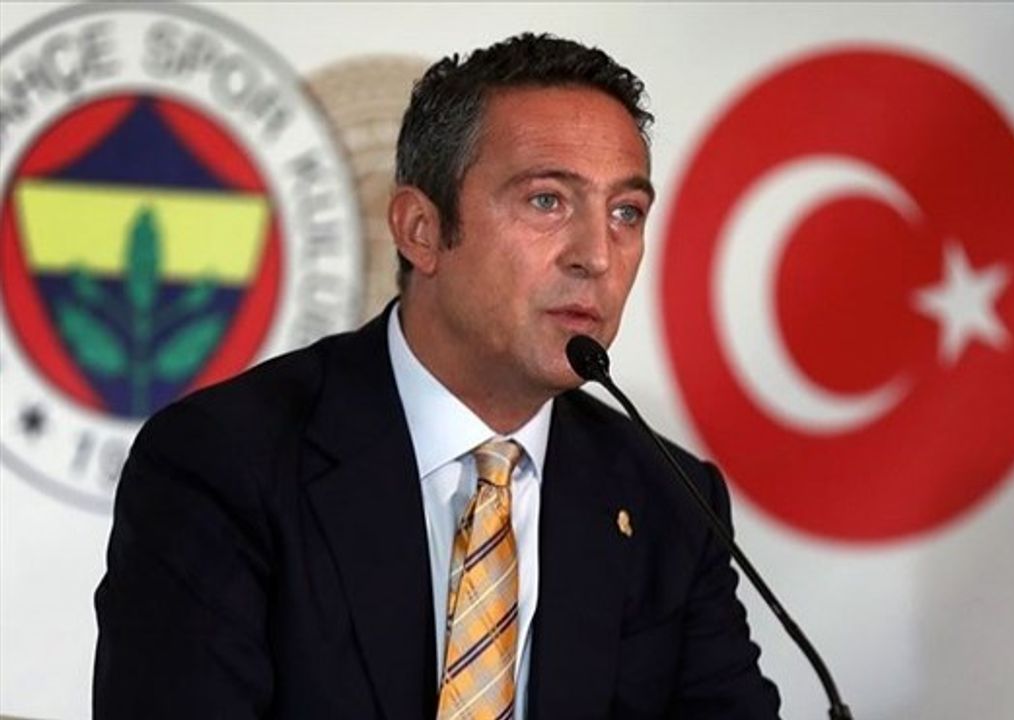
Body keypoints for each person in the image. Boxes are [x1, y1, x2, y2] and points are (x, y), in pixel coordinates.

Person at [93, 33, 781, 719]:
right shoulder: (223, 464)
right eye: (547, 201)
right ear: (421, 230)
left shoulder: (669, 501)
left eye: (626, 212)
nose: (597, 256)